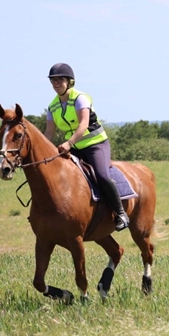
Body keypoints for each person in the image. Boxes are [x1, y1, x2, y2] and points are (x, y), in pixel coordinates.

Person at [44, 63, 129, 232]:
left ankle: (120, 213)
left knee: (102, 175)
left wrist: (68, 143)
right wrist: (44, 154)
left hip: (95, 144)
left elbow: (83, 125)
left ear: (69, 81)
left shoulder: (80, 98)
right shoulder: (52, 106)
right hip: (74, 147)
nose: (56, 83)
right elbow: (48, 133)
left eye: (60, 79)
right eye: (53, 80)